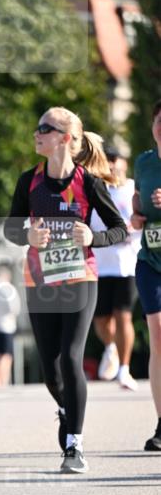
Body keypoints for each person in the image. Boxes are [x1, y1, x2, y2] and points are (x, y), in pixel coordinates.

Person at [3, 107, 127, 473]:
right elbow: (10, 228)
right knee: (50, 371)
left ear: (65, 139)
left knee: (72, 358)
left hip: (79, 278)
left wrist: (94, 236)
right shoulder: (29, 181)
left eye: (45, 128)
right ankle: (66, 407)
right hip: (40, 281)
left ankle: (75, 445)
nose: (36, 133)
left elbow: (119, 229)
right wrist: (27, 235)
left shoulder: (88, 183)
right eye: (37, 126)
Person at [90, 147, 141, 389]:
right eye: (106, 161)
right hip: (100, 264)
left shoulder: (132, 188)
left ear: (124, 162)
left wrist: (132, 229)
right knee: (100, 320)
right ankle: (111, 348)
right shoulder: (97, 189)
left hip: (127, 264)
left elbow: (142, 218)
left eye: (114, 160)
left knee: (123, 316)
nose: (111, 165)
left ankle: (124, 369)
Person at [131, 99, 161, 452]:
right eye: (158, 121)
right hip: (150, 260)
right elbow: (138, 205)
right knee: (157, 334)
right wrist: (138, 216)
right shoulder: (143, 162)